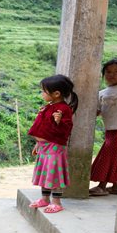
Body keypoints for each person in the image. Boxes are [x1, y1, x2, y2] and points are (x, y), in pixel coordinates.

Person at [27, 74, 79, 213]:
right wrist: (37, 143)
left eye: (44, 91)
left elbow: (67, 128)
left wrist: (59, 121)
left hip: (55, 148)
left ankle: (56, 202)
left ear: (56, 93)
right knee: (45, 174)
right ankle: (44, 199)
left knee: (54, 175)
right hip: (44, 148)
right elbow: (43, 128)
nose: (42, 93)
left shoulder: (63, 109)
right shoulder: (49, 106)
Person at [89, 59, 117, 196]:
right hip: (110, 130)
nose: (112, 75)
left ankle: (103, 186)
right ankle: (114, 187)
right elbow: (97, 110)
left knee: (112, 157)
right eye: (108, 72)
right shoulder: (101, 93)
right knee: (114, 156)